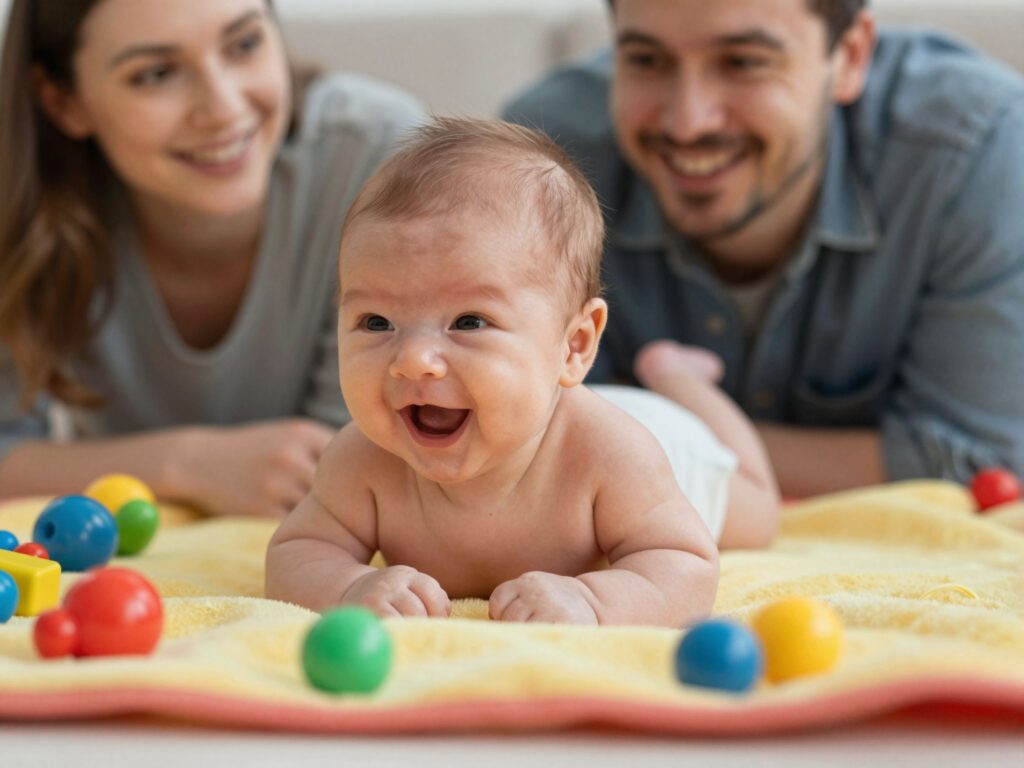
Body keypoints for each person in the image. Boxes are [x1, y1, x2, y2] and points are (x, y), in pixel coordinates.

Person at [266, 118, 779, 626]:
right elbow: (298, 552)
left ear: (575, 344)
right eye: (376, 322)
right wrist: (349, 586)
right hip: (551, 395)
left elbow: (686, 566)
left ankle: (679, 378)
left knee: (759, 513)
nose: (413, 359)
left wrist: (594, 603)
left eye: (468, 321)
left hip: (669, 439)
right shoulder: (362, 462)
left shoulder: (614, 457)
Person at [503, 0, 1024, 498]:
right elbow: (516, 431)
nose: (688, 122)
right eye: (646, 60)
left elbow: (978, 459)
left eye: (743, 63)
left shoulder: (976, 150)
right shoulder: (540, 160)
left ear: (850, 56)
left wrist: (639, 430)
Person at [0, 0, 425, 517]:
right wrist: (187, 463)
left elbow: (370, 455)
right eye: (156, 74)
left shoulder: (382, 158)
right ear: (62, 100)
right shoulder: (24, 205)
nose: (223, 108)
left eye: (244, 44)